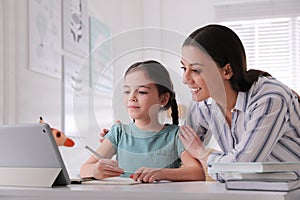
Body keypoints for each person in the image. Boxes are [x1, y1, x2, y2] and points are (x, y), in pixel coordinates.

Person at [178, 24, 300, 181]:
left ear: (227, 71)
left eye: (196, 70)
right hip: (253, 190)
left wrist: (202, 153)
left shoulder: (269, 99)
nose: (185, 80)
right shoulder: (203, 104)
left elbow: (243, 168)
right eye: (183, 68)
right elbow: (184, 151)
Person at [80, 60, 205, 183]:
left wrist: (161, 173)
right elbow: (84, 169)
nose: (132, 97)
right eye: (127, 91)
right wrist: (95, 170)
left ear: (163, 99)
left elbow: (198, 172)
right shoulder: (118, 133)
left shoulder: (176, 136)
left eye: (141, 92)